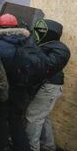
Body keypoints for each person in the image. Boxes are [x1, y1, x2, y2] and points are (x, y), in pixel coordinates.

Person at [0, 14, 70, 151]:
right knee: (16, 120)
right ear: (16, 26)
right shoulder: (29, 42)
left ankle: (2, 147)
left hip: (5, 89)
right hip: (23, 89)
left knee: (2, 119)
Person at [25, 19, 70, 151]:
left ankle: (31, 148)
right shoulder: (47, 44)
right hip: (47, 86)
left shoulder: (61, 49)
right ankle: (49, 146)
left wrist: (34, 50)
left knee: (32, 118)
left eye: (41, 31)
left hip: (50, 86)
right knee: (43, 117)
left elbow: (48, 66)